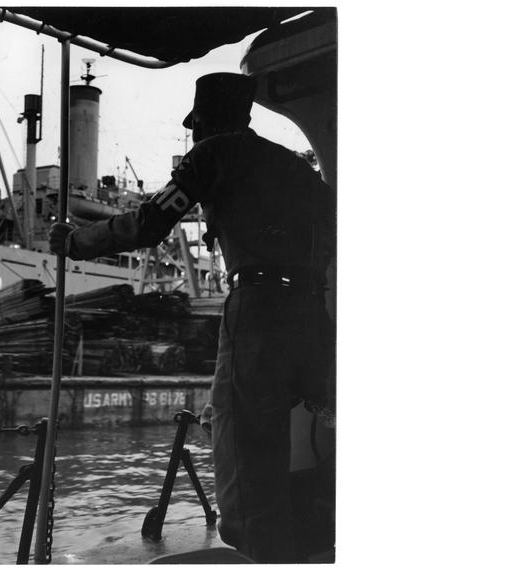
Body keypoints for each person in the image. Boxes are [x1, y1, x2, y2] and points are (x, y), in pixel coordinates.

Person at [49, 72, 336, 563]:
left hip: (258, 312)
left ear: (203, 121)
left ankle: (261, 557)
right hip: (315, 315)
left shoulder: (212, 155)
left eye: (195, 124)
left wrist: (76, 242)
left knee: (244, 449)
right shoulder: (296, 167)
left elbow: (147, 223)